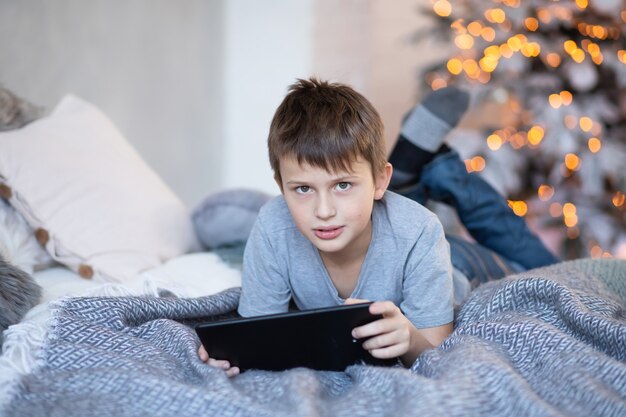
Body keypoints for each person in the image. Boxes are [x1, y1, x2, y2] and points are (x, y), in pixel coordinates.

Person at [199, 78, 558, 377]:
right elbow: (258, 336)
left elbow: (433, 350)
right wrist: (234, 357)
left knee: (537, 264)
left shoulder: (419, 231)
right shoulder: (274, 223)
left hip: (456, 263)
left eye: (342, 185)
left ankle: (442, 169)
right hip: (384, 218)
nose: (323, 211)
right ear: (281, 188)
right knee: (375, 210)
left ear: (376, 182)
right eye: (303, 189)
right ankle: (404, 172)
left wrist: (410, 339)